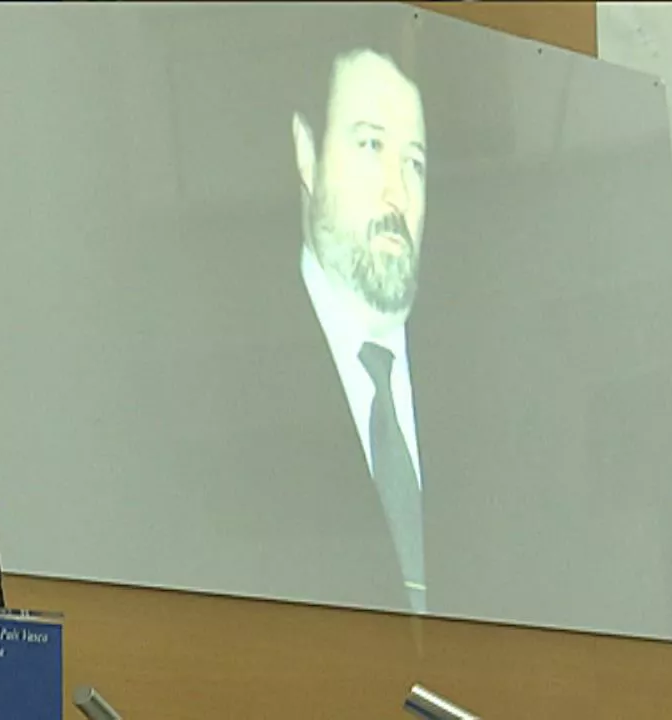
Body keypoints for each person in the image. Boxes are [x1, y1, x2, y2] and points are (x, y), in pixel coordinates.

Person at [290, 47, 429, 612]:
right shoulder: (223, 387)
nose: (398, 192)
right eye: (371, 145)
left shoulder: (498, 388)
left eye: (414, 163)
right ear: (307, 154)